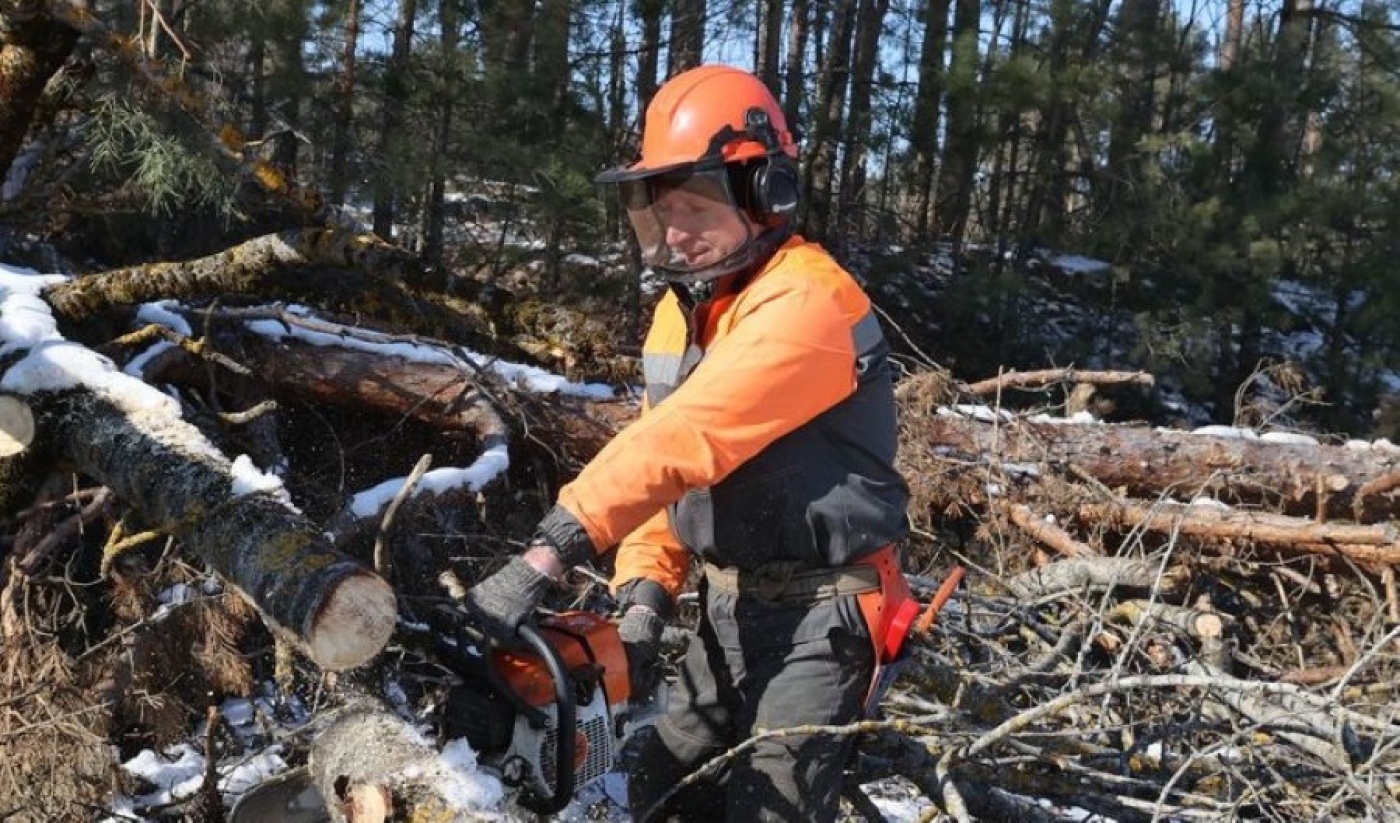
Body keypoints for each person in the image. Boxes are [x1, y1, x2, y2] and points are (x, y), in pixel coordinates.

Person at [464, 63, 912, 822]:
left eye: (696, 209)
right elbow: (659, 464)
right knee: (645, 791)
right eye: (660, 212)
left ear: (765, 193)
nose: (675, 234)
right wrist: (644, 594)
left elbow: (687, 437)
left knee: (765, 806)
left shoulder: (808, 302)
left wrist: (551, 547)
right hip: (726, 609)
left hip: (824, 618)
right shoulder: (682, 315)